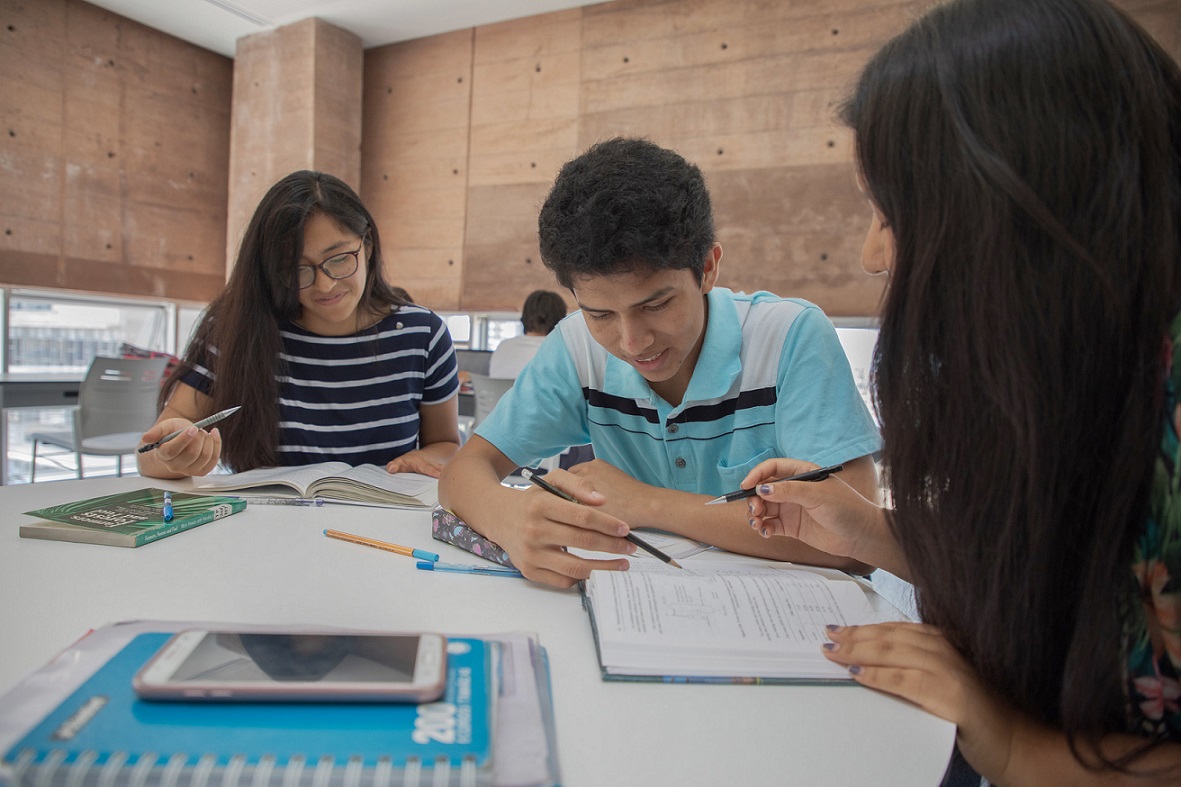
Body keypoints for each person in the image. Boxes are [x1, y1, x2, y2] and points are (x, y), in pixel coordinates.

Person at [743, 0, 1181, 781]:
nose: (873, 255)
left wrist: (1007, 739)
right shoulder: (1070, 367)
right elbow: (1055, 580)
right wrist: (875, 532)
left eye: (889, 212)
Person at [439, 137, 882, 588]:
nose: (633, 342)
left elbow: (858, 542)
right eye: (600, 314)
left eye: (656, 305)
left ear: (708, 267)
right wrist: (510, 518)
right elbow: (463, 472)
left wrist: (648, 503)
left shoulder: (790, 338)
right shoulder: (576, 347)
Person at [138, 170, 461, 480]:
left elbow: (446, 445)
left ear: (368, 246)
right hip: (265, 524)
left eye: (338, 259)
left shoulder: (422, 334)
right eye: (296, 269)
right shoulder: (236, 329)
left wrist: (427, 458)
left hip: (378, 524)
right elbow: (152, 454)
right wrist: (172, 454)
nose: (324, 286)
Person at [488, 290, 567, 378]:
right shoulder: (561, 351)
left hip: (499, 392)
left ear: (525, 316)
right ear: (560, 319)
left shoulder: (503, 346)